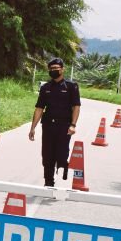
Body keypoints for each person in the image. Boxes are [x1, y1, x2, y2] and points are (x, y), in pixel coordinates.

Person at [28, 57, 81, 187]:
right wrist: (32, 128)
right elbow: (39, 108)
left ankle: (63, 183)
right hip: (48, 126)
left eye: (56, 69)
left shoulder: (71, 86)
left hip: (64, 126)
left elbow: (76, 107)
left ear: (62, 69)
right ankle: (48, 183)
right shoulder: (45, 87)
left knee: (62, 156)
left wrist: (73, 125)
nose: (53, 71)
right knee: (47, 156)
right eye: (51, 69)